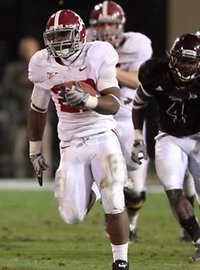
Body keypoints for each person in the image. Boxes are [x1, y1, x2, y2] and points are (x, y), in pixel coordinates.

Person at [28, 10, 130, 270]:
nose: (59, 41)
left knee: (114, 198)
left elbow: (114, 103)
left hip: (102, 134)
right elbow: (38, 109)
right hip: (70, 142)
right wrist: (35, 150)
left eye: (64, 34)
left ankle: (121, 261)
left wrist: (88, 100)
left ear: (81, 34)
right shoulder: (42, 63)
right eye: (54, 36)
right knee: (72, 216)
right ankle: (94, 187)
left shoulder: (98, 53)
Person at [131, 32, 200, 262]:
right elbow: (139, 102)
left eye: (192, 62)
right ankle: (198, 241)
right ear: (173, 58)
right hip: (169, 137)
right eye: (183, 60)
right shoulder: (156, 74)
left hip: (198, 137)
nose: (186, 67)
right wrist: (138, 137)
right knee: (173, 190)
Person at [89, 0, 152, 243]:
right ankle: (113, 210)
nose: (105, 29)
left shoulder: (138, 43)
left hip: (128, 117)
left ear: (121, 25)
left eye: (110, 23)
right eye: (101, 24)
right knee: (107, 172)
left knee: (133, 182)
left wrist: (109, 70)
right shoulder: (88, 45)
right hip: (100, 118)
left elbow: (140, 81)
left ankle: (132, 221)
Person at [1, 36, 40, 178]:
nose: (28, 52)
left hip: (41, 117)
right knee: (17, 150)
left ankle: (41, 178)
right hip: (19, 115)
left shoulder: (45, 68)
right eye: (26, 49)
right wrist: (22, 82)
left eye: (31, 48)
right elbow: (6, 88)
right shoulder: (13, 69)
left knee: (41, 151)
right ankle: (19, 178)